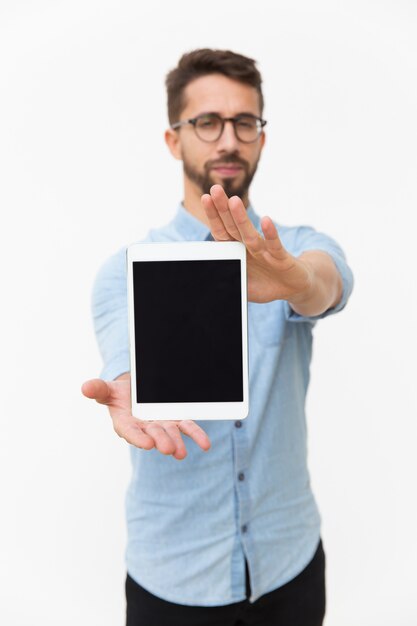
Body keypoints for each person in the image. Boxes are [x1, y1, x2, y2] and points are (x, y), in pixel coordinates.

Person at [82, 48, 353, 626]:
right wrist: (129, 385)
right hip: (175, 579)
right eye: (207, 122)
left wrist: (296, 280)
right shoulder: (125, 270)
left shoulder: (298, 246)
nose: (227, 139)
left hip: (289, 566)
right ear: (174, 139)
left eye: (245, 122)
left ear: (260, 137)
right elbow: (123, 358)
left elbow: (325, 286)